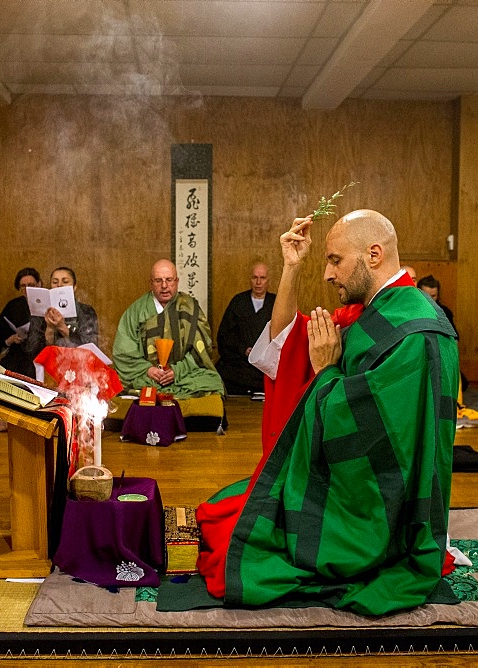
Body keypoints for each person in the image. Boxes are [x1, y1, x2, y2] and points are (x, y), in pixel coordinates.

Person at [195, 210, 459, 616]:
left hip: (379, 508)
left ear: (373, 254)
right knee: (233, 515)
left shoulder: (413, 328)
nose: (328, 274)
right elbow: (286, 348)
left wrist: (327, 373)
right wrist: (291, 267)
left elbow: (376, 438)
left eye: (335, 260)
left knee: (247, 548)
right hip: (358, 484)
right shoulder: (375, 310)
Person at [113, 259, 224, 398]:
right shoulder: (136, 311)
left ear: (177, 281)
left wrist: (177, 371)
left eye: (169, 280)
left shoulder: (189, 307)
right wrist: (148, 370)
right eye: (158, 280)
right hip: (147, 376)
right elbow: (124, 352)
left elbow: (202, 350)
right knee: (115, 384)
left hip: (185, 374)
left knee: (212, 382)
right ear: (151, 283)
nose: (164, 286)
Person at [0, 266, 99, 379]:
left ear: (74, 287)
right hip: (49, 373)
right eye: (55, 282)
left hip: (79, 372)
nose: (59, 285)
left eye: (65, 282)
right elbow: (32, 350)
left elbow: (90, 348)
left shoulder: (86, 311)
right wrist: (50, 329)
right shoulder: (40, 312)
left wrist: (62, 327)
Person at [215, 262, 276, 396]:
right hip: (239, 364)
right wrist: (243, 349)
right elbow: (224, 336)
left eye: (262, 278)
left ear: (268, 281)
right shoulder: (238, 301)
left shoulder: (276, 303)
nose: (258, 282)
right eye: (255, 278)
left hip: (266, 366)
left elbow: (285, 334)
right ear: (250, 279)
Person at [417, 274, 467, 391]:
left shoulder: (444, 313)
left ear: (438, 295)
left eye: (433, 296)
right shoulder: (412, 311)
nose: (430, 300)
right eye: (427, 296)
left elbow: (454, 341)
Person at [0, 267, 42, 373]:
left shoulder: (47, 303)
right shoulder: (13, 306)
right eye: (23, 286)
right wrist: (12, 339)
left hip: (42, 354)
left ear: (39, 284)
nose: (27, 289)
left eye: (31, 285)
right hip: (19, 355)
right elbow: (1, 334)